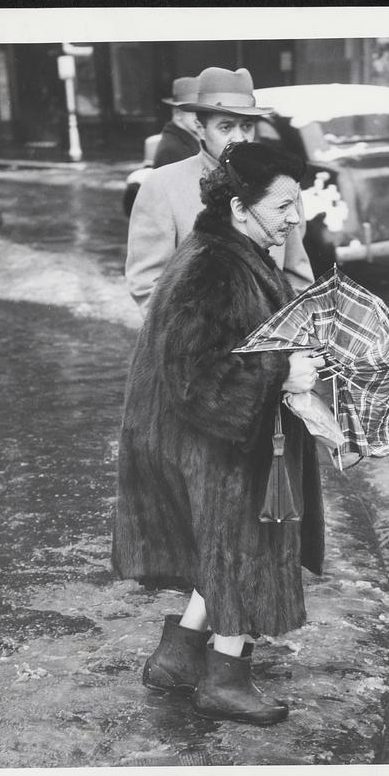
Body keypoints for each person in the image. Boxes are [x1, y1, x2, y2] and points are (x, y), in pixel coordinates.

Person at [114, 141, 326, 726]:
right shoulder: (213, 266)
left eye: (297, 204)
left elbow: (244, 345)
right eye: (283, 206)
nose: (295, 219)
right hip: (211, 445)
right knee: (243, 550)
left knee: (229, 550)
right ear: (240, 208)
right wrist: (282, 372)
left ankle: (179, 659)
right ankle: (225, 682)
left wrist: (294, 359)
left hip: (222, 438)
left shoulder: (234, 252)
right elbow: (196, 373)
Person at [125, 67, 315, 315]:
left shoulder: (281, 183)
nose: (239, 138)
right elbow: (148, 285)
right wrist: (188, 341)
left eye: (247, 126)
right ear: (200, 128)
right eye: (226, 127)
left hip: (269, 342)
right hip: (196, 346)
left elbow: (298, 277)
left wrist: (290, 340)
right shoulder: (162, 185)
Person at [152, 76, 202, 169]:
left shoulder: (188, 138)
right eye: (193, 111)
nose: (201, 117)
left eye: (202, 111)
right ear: (177, 113)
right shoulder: (171, 150)